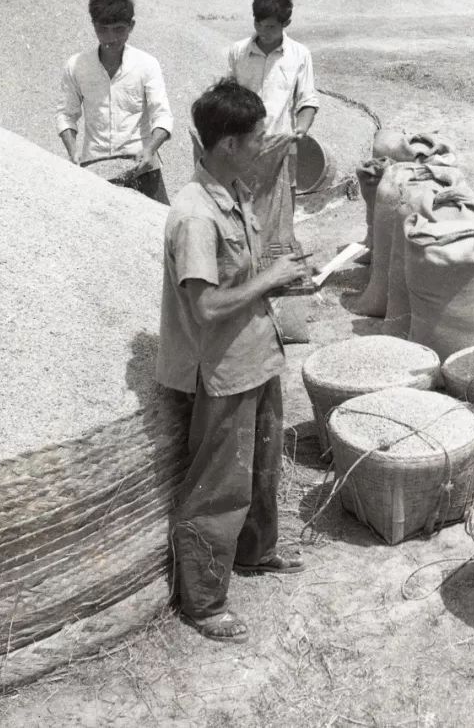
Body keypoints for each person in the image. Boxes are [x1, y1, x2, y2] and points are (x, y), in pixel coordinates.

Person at [156, 77, 310, 643]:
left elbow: (237, 282)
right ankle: (202, 600)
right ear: (227, 146)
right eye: (257, 139)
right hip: (222, 370)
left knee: (262, 469)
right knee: (220, 487)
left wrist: (281, 284)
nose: (264, 148)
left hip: (255, 356)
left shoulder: (234, 192)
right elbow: (205, 306)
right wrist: (269, 277)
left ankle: (255, 552)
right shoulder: (196, 214)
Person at [56, 0, 173, 204]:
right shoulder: (77, 66)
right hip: (96, 169)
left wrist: (150, 150)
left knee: (159, 231)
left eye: (119, 29)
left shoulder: (147, 64)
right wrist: (73, 152)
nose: (111, 38)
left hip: (143, 168)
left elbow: (163, 116)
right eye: (103, 29)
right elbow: (66, 114)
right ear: (93, 26)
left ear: (132, 27)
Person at [226, 0, 320, 258]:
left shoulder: (299, 54)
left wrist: (300, 129)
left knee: (278, 212)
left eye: (269, 26)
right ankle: (245, 265)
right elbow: (228, 95)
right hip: (243, 147)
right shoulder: (238, 52)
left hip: (280, 147)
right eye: (258, 23)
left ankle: (276, 267)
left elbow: (307, 101)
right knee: (242, 209)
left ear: (285, 24)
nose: (262, 31)